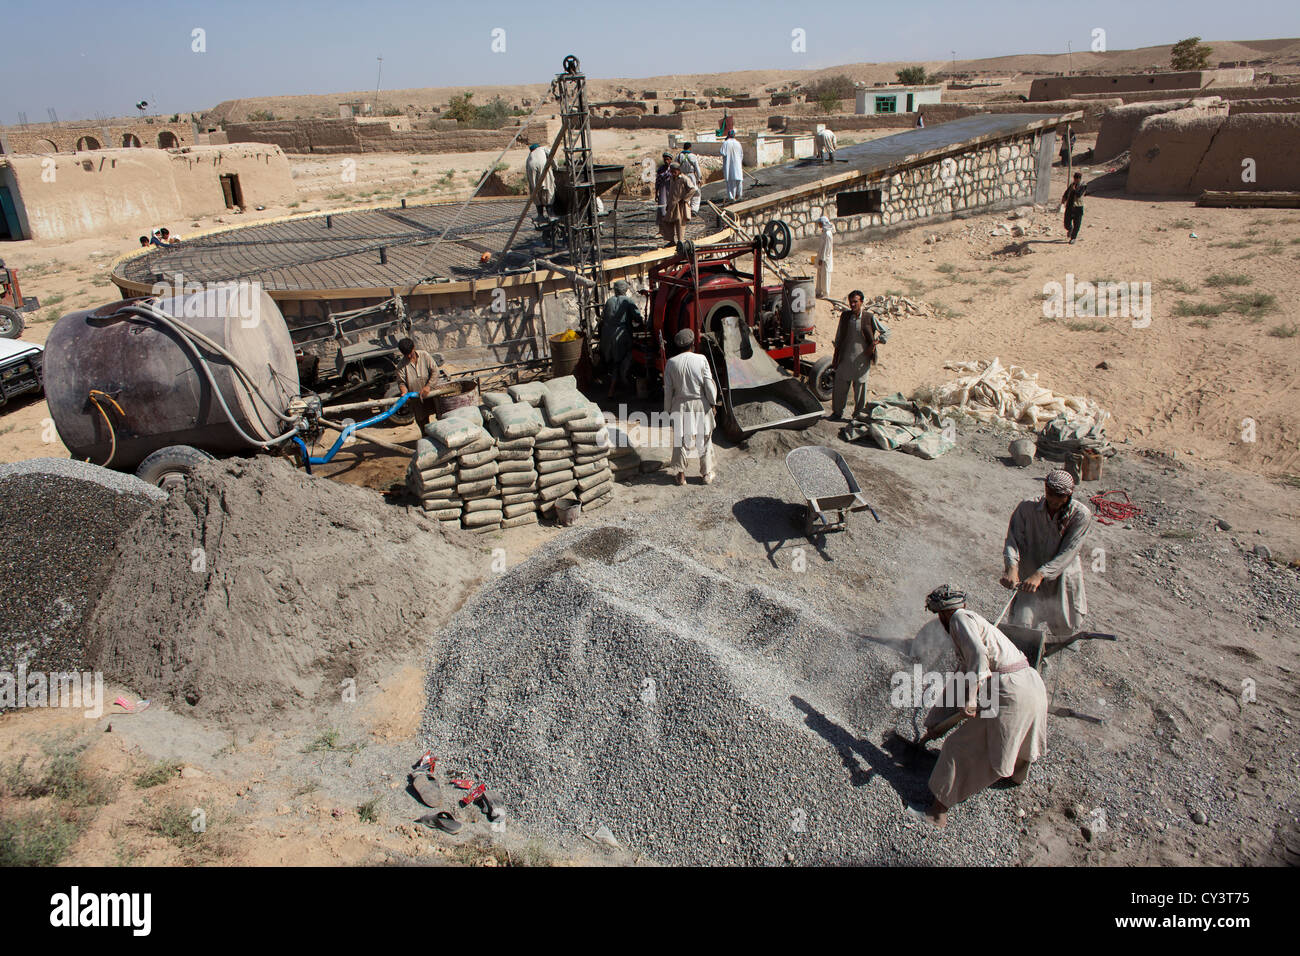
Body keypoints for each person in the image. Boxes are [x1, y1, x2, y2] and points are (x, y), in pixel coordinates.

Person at [921, 585, 1048, 828]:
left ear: (942, 615)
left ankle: (937, 812)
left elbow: (978, 659)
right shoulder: (977, 624)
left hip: (1011, 692)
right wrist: (934, 724)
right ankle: (1009, 776)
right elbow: (962, 678)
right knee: (1015, 738)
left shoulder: (958, 620)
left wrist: (970, 698)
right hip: (1032, 684)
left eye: (938, 617)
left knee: (959, 747)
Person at [1001, 469, 1093, 636]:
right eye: (1050, 494)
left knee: (1063, 628)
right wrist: (1012, 568)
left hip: (1061, 576)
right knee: (1022, 626)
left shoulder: (1080, 515)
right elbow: (1012, 540)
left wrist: (1041, 574)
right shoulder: (1027, 508)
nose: (1053, 500)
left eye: (1059, 496)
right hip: (1029, 573)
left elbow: (1068, 552)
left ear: (1069, 494)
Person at [663, 327, 717, 485]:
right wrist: (712, 402)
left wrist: (667, 411)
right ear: (693, 344)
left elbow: (668, 391)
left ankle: (681, 476)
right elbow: (708, 384)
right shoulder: (701, 359)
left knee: (681, 440)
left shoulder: (671, 363)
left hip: (679, 405)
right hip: (700, 403)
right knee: (705, 438)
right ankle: (706, 474)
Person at [830, 290, 887, 421]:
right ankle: (837, 413)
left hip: (862, 360)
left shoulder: (869, 317)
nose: (853, 304)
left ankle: (857, 416)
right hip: (845, 359)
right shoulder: (845, 317)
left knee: (860, 390)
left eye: (855, 301)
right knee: (839, 388)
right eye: (851, 302)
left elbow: (886, 331)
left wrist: (877, 341)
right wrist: (835, 356)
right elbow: (838, 338)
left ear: (861, 302)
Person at [599, 279, 643, 397]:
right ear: (625, 290)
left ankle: (614, 385)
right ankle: (615, 389)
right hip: (620, 335)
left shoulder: (609, 301)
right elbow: (638, 318)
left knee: (613, 361)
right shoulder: (628, 301)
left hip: (607, 336)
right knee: (621, 361)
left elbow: (604, 318)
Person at [393, 337, 443, 431]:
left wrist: (428, 387)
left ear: (414, 348)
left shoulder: (424, 355)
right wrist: (404, 392)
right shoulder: (400, 365)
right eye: (405, 354)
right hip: (416, 399)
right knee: (423, 423)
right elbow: (401, 382)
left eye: (410, 353)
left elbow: (435, 371)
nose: (408, 356)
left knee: (441, 418)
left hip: (432, 394)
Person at [660, 162, 698, 247]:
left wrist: (684, 199)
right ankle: (671, 240)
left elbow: (693, 189)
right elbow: (671, 192)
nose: (673, 173)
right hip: (672, 204)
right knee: (668, 222)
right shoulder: (671, 179)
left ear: (678, 170)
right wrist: (668, 204)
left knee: (680, 223)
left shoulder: (684, 179)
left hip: (680, 205)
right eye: (671, 171)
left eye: (674, 171)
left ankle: (680, 241)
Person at [525, 143, 555, 218]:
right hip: (542, 165)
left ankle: (540, 215)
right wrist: (555, 167)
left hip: (531, 166)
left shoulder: (530, 155)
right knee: (548, 187)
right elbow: (552, 157)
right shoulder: (543, 149)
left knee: (535, 190)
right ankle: (550, 214)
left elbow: (527, 169)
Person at [676, 142, 704, 215]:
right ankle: (694, 209)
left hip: (682, 176)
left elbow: (675, 167)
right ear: (690, 148)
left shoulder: (678, 156)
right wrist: (699, 178)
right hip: (691, 176)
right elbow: (697, 168)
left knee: (684, 193)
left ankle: (686, 209)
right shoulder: (693, 156)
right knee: (695, 193)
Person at [1060, 172, 1086, 244]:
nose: (1075, 181)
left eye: (1077, 179)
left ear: (1079, 179)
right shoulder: (1072, 185)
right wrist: (1064, 199)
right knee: (1066, 223)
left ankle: (1073, 238)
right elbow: (1067, 192)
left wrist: (1074, 190)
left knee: (1077, 224)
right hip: (1070, 206)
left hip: (1078, 207)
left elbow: (1079, 195)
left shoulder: (1083, 186)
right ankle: (1070, 229)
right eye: (1074, 179)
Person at [720, 130, 744, 201]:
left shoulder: (725, 143)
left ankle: (731, 197)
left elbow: (722, 152)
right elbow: (741, 155)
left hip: (729, 166)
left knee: (731, 183)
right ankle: (739, 196)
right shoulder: (738, 143)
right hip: (737, 165)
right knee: (739, 181)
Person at [814, 216, 834, 299]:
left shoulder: (828, 234)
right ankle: (818, 291)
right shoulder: (824, 233)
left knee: (825, 276)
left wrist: (822, 259)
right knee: (820, 275)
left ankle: (825, 294)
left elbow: (827, 248)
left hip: (825, 259)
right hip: (821, 258)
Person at [655, 151, 674, 226]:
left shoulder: (673, 169)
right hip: (662, 190)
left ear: (670, 160)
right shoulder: (661, 169)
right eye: (665, 159)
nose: (666, 161)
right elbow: (657, 182)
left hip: (671, 190)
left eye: (668, 159)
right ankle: (661, 230)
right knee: (662, 210)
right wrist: (656, 193)